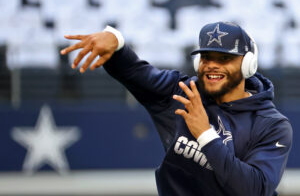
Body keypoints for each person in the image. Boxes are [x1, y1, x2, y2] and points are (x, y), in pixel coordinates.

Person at [60, 21, 292, 196]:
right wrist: (116, 41)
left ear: (248, 64)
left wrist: (206, 135)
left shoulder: (272, 124)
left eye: (224, 58)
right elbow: (136, 73)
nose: (211, 64)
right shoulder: (183, 91)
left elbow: (253, 189)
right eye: (206, 57)